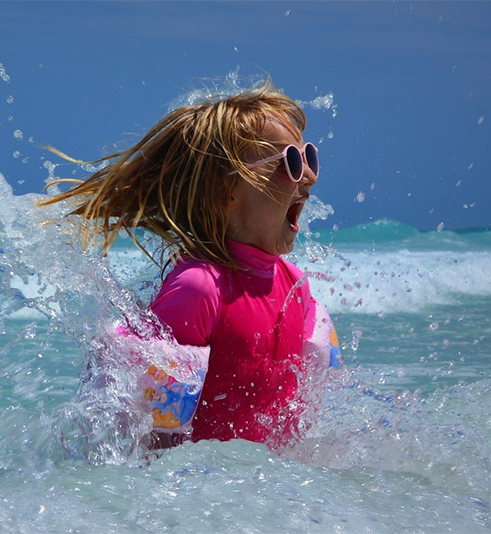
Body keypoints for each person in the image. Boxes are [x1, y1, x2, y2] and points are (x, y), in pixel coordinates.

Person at [39, 79, 334, 450]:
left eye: (308, 157)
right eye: (289, 163)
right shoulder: (200, 288)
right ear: (225, 192)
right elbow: (153, 432)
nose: (308, 176)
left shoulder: (294, 285)